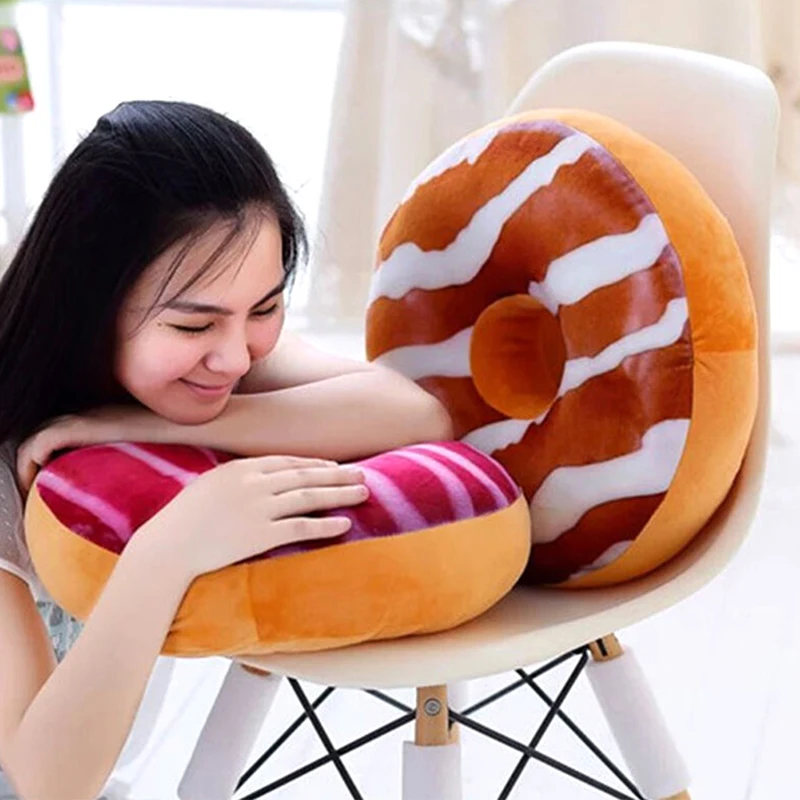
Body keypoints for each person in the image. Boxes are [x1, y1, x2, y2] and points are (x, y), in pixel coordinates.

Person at [0, 100, 452, 800]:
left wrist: (145, 426)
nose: (236, 357)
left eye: (266, 309)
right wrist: (168, 549)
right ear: (89, 306)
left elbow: (417, 414)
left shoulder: (206, 357)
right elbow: (43, 782)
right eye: (193, 325)